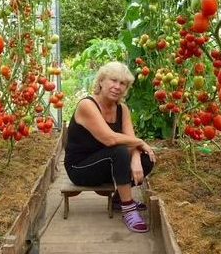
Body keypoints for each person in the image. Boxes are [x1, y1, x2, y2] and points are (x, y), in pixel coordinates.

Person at [64, 61, 156, 233]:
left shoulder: (122, 109)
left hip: (106, 162)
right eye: (113, 80)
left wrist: (136, 158)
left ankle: (118, 200)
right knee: (119, 150)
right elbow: (110, 139)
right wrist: (140, 142)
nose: (117, 87)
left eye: (123, 83)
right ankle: (128, 208)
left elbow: (130, 139)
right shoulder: (87, 105)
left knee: (146, 158)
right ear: (101, 81)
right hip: (80, 168)